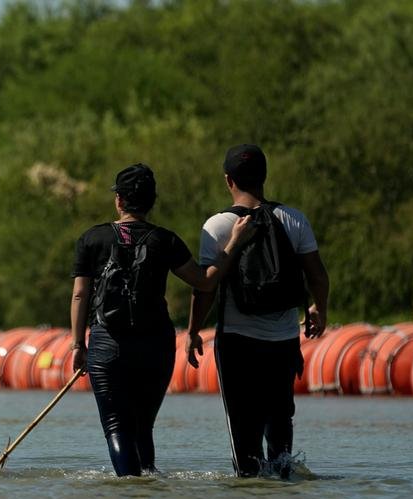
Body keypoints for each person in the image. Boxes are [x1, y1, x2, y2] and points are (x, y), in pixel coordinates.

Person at [71, 163, 254, 476]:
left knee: (118, 427)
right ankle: (149, 488)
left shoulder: (92, 239)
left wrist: (77, 344)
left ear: (118, 200)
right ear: (151, 201)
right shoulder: (165, 240)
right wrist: (234, 241)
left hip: (107, 344)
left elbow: (80, 295)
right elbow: (204, 281)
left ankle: (130, 488)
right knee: (143, 426)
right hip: (156, 346)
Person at [186, 144, 330, 478]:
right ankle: (282, 488)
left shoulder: (219, 225)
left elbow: (205, 288)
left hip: (238, 342)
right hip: (282, 340)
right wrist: (319, 310)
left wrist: (193, 332)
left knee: (243, 433)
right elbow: (318, 276)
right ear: (264, 177)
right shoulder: (293, 219)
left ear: (228, 180)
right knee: (280, 426)